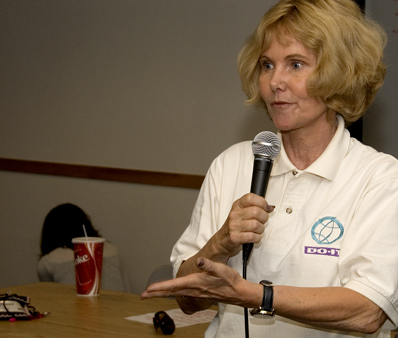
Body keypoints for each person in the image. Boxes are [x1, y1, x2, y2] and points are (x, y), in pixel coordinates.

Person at [141, 0, 398, 337]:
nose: (275, 81)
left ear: (339, 73)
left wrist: (254, 295)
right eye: (267, 64)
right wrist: (221, 243)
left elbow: (367, 311)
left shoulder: (379, 177)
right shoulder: (231, 164)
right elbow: (189, 302)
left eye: (295, 64)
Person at [38, 203, 129, 292]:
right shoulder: (112, 250)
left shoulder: (49, 261)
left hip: (75, 306)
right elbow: (127, 291)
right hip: (121, 306)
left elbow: (49, 296)